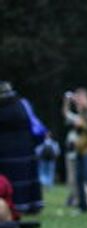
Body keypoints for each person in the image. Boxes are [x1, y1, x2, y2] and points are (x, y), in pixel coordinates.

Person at [0, 81, 45, 215]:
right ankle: (31, 204)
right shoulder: (23, 104)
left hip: (6, 151)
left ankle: (14, 206)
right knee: (28, 178)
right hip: (26, 147)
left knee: (11, 180)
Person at [62, 88, 87, 212]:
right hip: (80, 150)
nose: (78, 101)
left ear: (86, 98)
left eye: (79, 98)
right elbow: (66, 114)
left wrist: (83, 125)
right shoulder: (81, 113)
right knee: (79, 178)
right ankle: (83, 206)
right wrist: (67, 101)